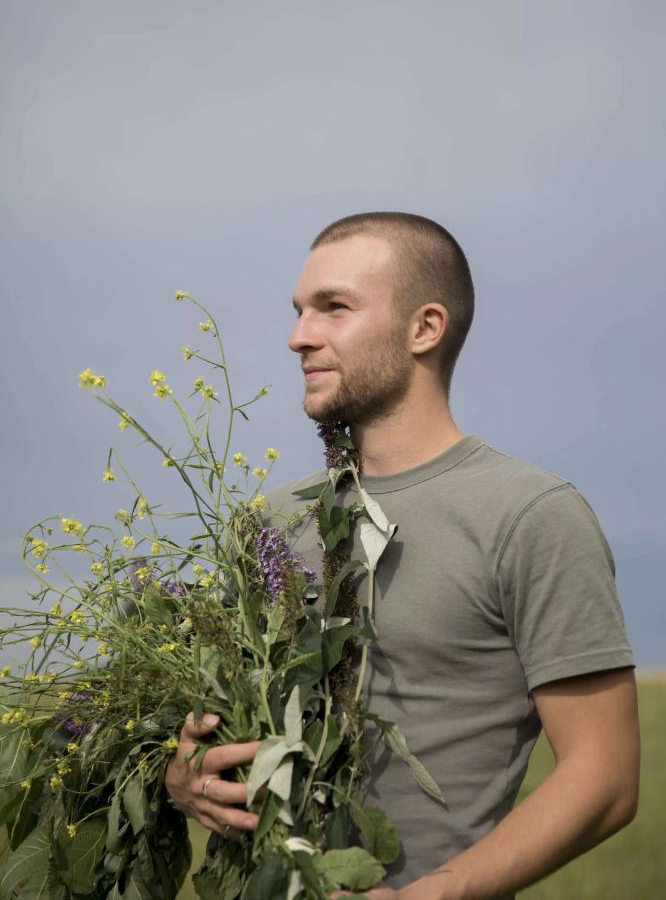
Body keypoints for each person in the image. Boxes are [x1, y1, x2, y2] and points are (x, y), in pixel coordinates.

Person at [165, 212, 639, 900]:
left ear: (425, 328)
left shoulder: (530, 515)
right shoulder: (267, 524)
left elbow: (605, 777)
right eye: (299, 311)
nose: (300, 336)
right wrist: (183, 776)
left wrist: (436, 893)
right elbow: (223, 727)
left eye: (334, 307)